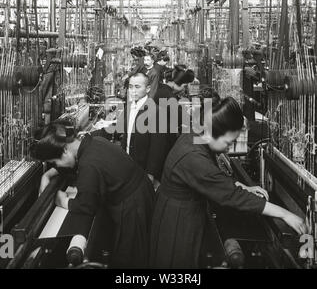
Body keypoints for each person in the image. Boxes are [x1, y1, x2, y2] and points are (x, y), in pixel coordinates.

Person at [149, 95, 307, 268]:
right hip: (178, 222)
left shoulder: (197, 135)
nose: (229, 148)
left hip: (180, 211)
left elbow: (213, 177)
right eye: (228, 142)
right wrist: (285, 214)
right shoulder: (194, 157)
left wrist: (240, 185)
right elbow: (231, 195)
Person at [30, 119, 155, 268]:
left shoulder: (88, 164)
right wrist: (47, 175)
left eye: (54, 162)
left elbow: (85, 205)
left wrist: (61, 200)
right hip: (140, 194)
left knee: (129, 258)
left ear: (64, 150)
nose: (56, 166)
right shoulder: (94, 141)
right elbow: (71, 165)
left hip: (133, 208)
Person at [119, 72, 168, 185]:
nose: (133, 91)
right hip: (127, 165)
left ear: (147, 89)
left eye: (137, 87)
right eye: (130, 87)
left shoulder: (157, 111)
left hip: (143, 169)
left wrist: (150, 173)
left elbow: (158, 147)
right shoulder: (129, 107)